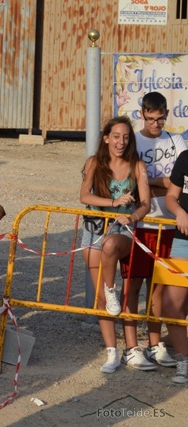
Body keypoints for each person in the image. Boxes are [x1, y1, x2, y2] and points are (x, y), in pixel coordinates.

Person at [79, 116, 150, 374]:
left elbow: (145, 203)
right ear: (106, 138)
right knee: (100, 298)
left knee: (111, 249)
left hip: (123, 230)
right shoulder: (94, 163)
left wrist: (131, 215)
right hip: (93, 229)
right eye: (116, 136)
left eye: (126, 137)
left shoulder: (137, 166)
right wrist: (114, 203)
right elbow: (84, 195)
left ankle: (112, 290)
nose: (121, 142)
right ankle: (112, 352)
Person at [120, 92, 186, 369]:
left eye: (160, 119)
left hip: (169, 223)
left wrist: (153, 183)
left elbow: (176, 184)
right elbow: (131, 182)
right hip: (140, 222)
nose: (156, 124)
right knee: (132, 284)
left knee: (159, 289)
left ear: (166, 114)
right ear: (142, 115)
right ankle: (131, 346)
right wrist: (162, 184)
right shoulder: (132, 140)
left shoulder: (177, 141)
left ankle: (155, 344)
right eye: (150, 119)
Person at [164, 148, 188, 384]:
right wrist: (179, 211)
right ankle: (184, 360)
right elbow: (171, 196)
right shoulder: (185, 158)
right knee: (172, 306)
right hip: (184, 243)